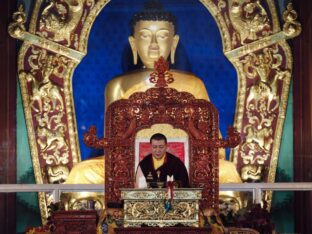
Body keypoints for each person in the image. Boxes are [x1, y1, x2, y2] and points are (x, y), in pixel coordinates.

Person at [65, 0, 241, 186]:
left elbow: (213, 140)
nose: (154, 45)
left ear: (174, 42)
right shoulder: (117, 85)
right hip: (132, 165)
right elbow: (114, 144)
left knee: (227, 171)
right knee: (81, 173)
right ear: (133, 43)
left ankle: (220, 215)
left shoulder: (193, 84)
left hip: (184, 163)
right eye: (146, 36)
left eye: (163, 36)